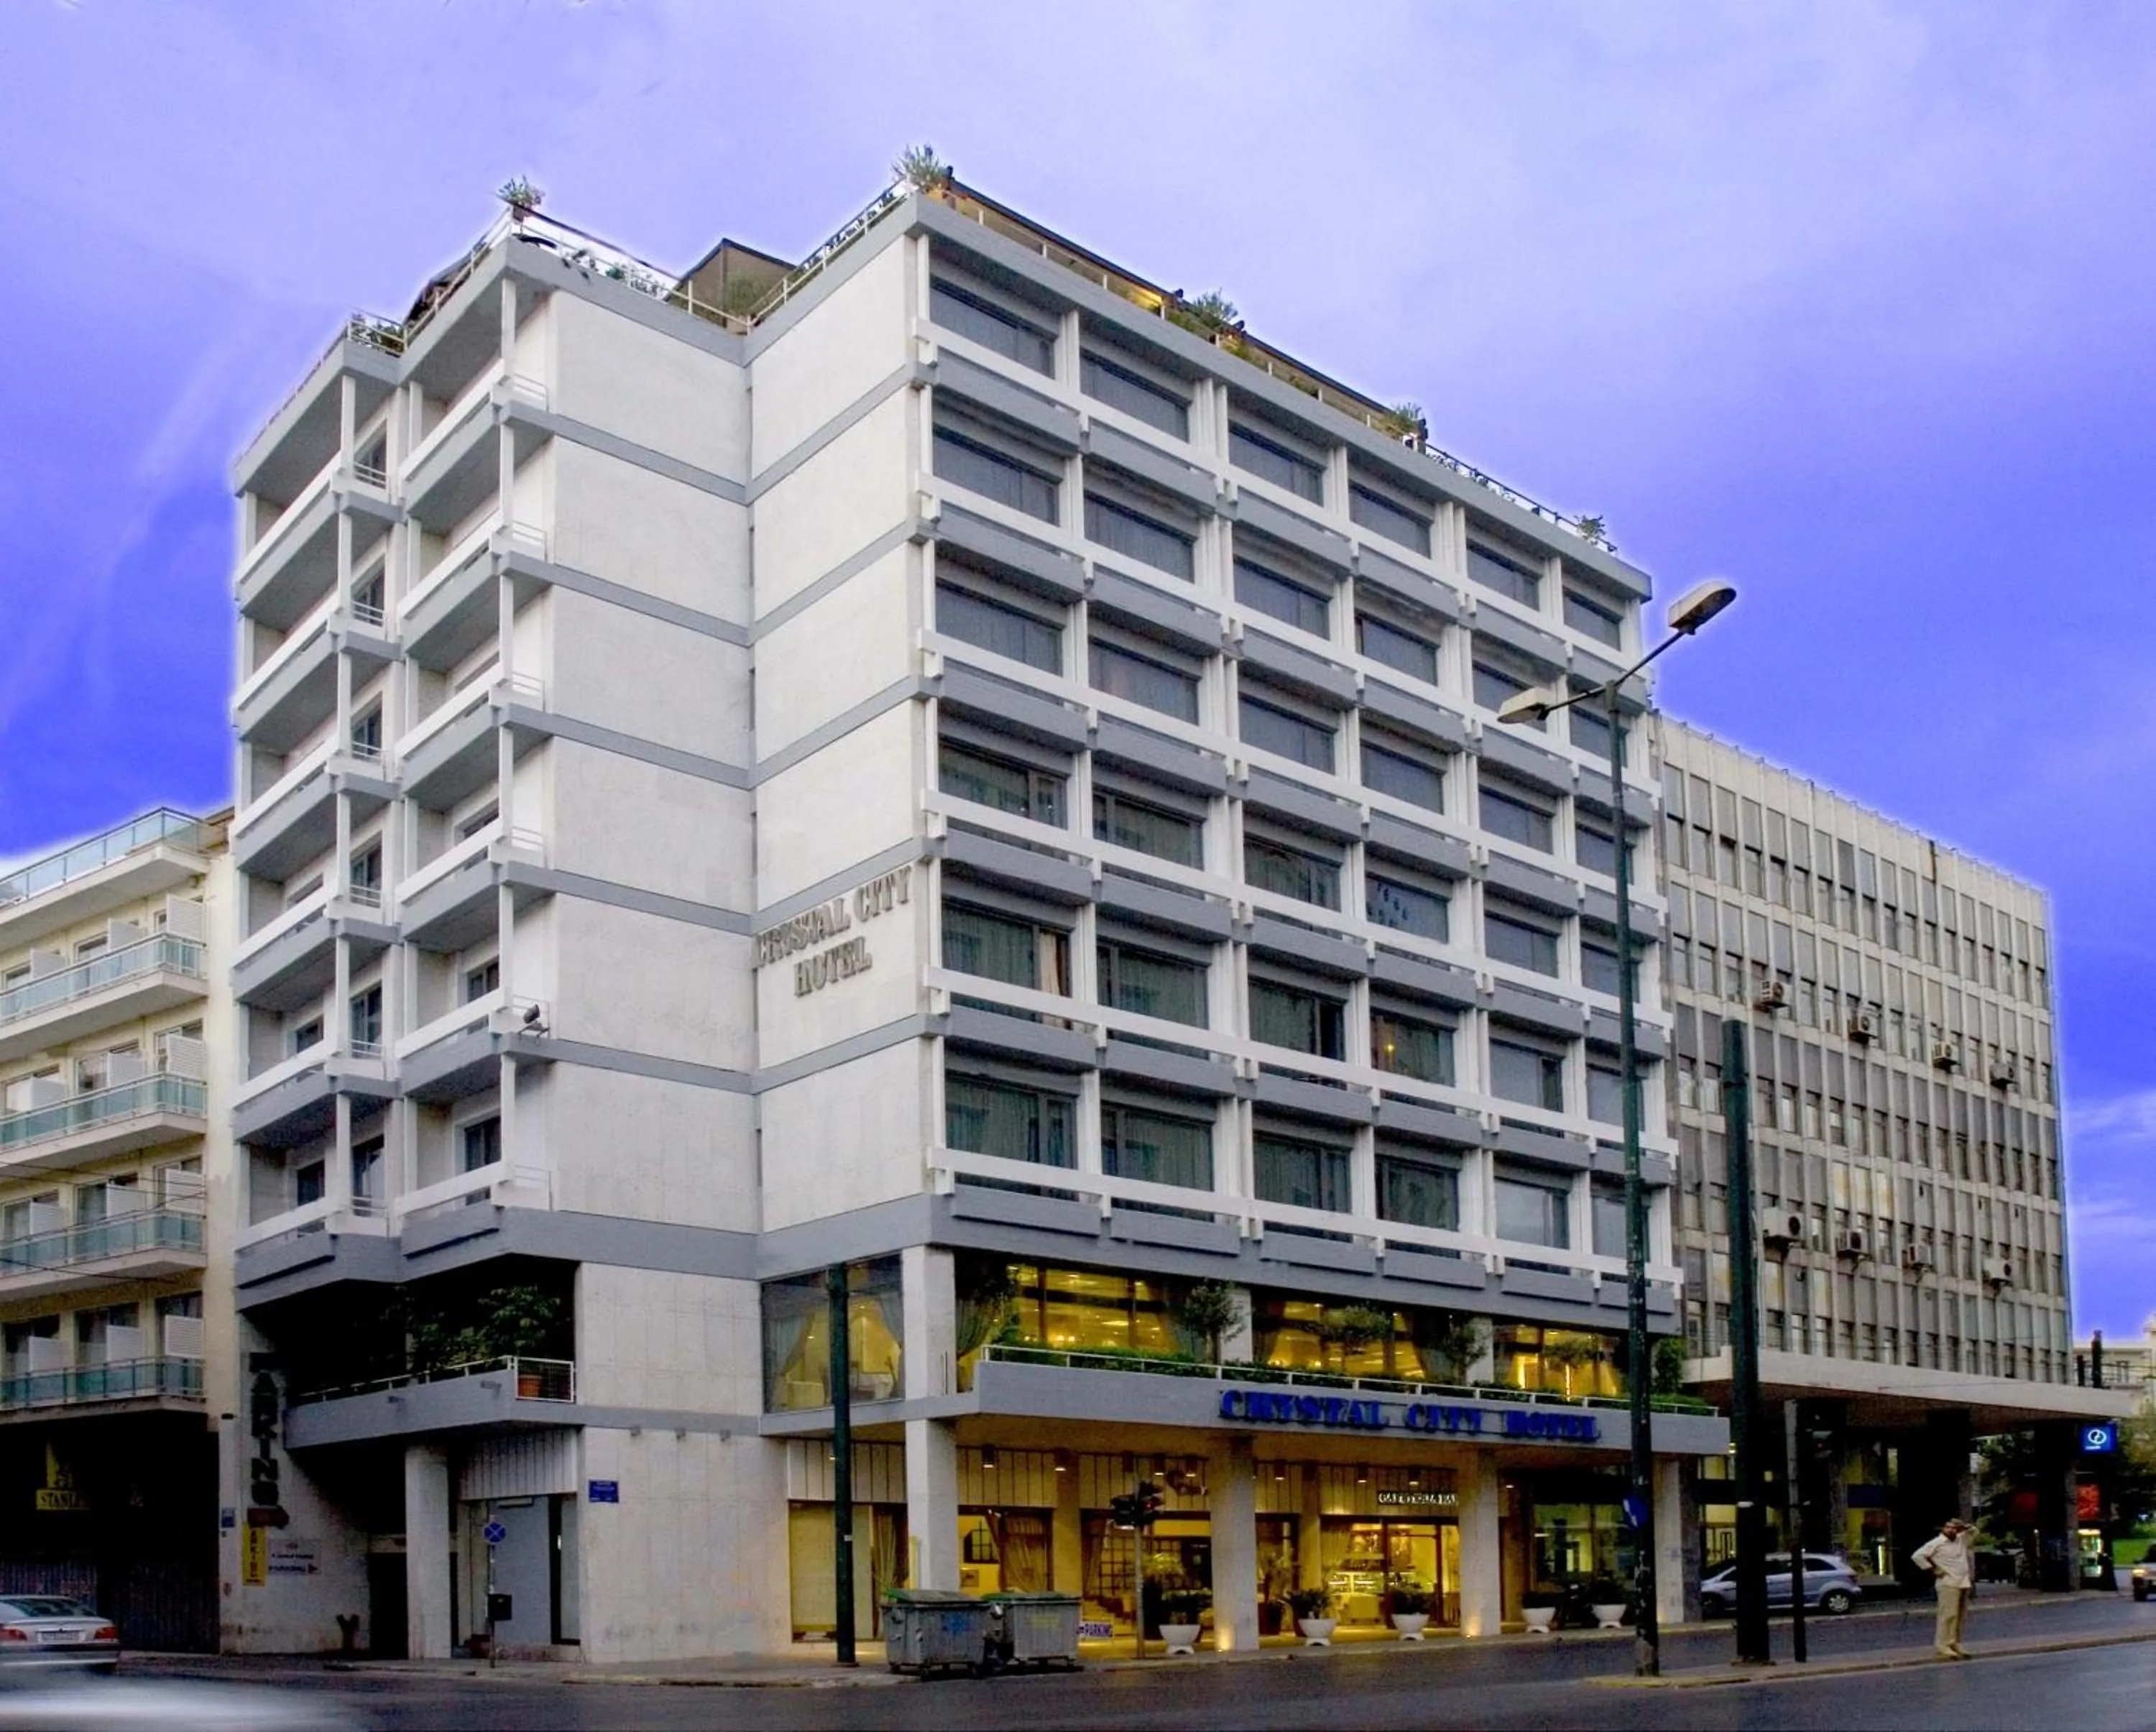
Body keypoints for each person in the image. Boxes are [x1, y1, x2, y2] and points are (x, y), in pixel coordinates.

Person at [1912, 1517, 1975, 1659]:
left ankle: (1955, 1643)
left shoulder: (1961, 1540)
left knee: (1960, 1616)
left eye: (1954, 1528)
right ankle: (1942, 1645)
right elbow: (1917, 1556)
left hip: (1963, 1582)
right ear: (1943, 1529)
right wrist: (1933, 1569)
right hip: (1948, 1583)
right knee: (1948, 1615)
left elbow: (1974, 1532)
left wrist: (1964, 1526)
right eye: (1948, 1527)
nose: (1951, 1530)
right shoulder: (1937, 1543)